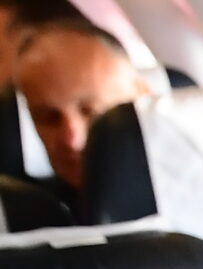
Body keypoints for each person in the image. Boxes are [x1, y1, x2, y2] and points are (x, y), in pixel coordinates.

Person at [12, 16, 142, 197]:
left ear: (143, 95)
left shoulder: (181, 195)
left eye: (91, 112)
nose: (71, 140)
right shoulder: (28, 208)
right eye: (48, 118)